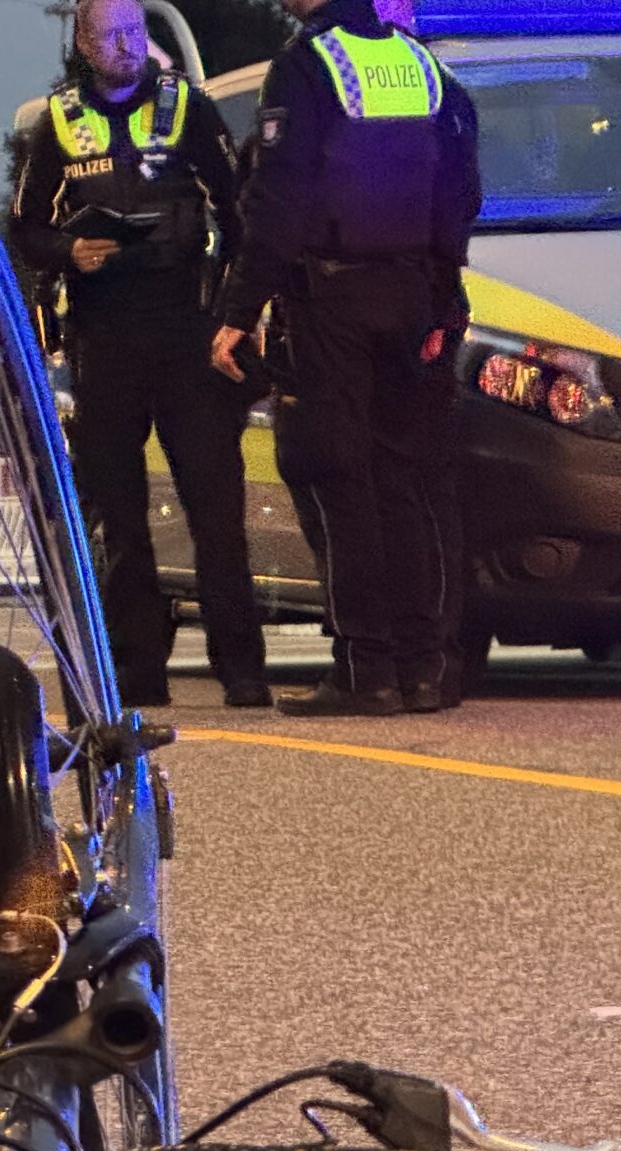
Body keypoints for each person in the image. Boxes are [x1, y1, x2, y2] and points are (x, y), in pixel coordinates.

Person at [212, 0, 482, 716]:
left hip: (332, 297)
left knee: (341, 479)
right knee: (405, 480)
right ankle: (425, 667)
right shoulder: (423, 66)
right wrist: (442, 288)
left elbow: (280, 195)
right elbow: (461, 189)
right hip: (413, 296)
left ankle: (367, 671)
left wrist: (240, 310)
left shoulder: (308, 66)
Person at [12, 0, 269, 710]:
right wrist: (70, 251)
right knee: (118, 514)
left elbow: (238, 211)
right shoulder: (57, 122)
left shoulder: (188, 107)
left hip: (184, 326)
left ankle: (242, 668)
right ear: (84, 44)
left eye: (136, 32)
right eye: (113, 36)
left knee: (215, 506)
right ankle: (139, 672)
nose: (128, 46)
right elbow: (26, 228)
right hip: (104, 332)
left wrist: (232, 314)